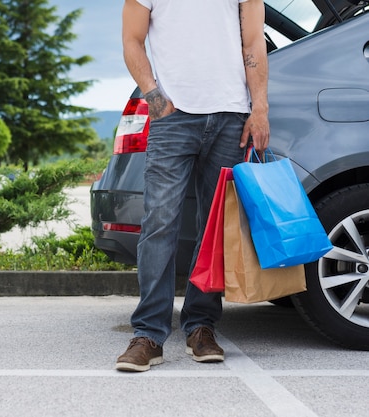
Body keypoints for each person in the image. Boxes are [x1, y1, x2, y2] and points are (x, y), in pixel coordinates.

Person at [116, 0, 270, 372]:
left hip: (231, 115)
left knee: (214, 228)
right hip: (173, 117)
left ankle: (201, 327)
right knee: (160, 224)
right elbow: (132, 39)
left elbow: (253, 42)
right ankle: (149, 334)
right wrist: (153, 94)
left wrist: (259, 107)